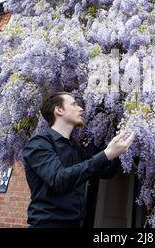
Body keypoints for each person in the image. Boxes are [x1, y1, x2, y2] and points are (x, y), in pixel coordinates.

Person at [22, 92, 135, 228]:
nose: (81, 109)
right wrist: (106, 154)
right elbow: (59, 179)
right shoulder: (39, 143)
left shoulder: (75, 147)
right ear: (59, 110)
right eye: (74, 104)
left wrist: (119, 151)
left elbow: (105, 173)